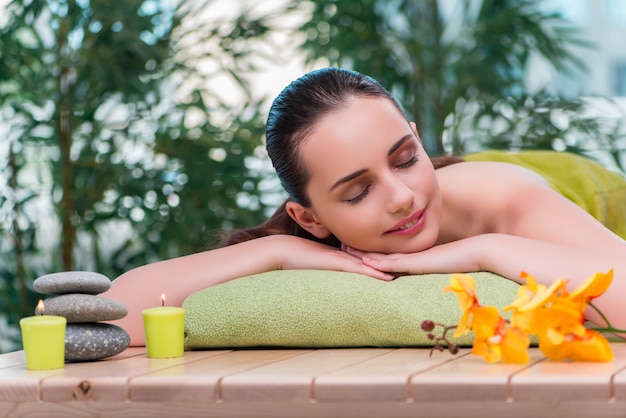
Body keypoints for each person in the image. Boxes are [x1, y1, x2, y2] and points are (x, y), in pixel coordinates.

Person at [103, 67, 626, 346]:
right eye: (358, 192)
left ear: (419, 141)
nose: (401, 197)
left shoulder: (505, 200)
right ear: (310, 218)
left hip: (589, 188)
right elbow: (114, 317)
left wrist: (485, 249)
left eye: (405, 158)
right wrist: (279, 250)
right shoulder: (302, 231)